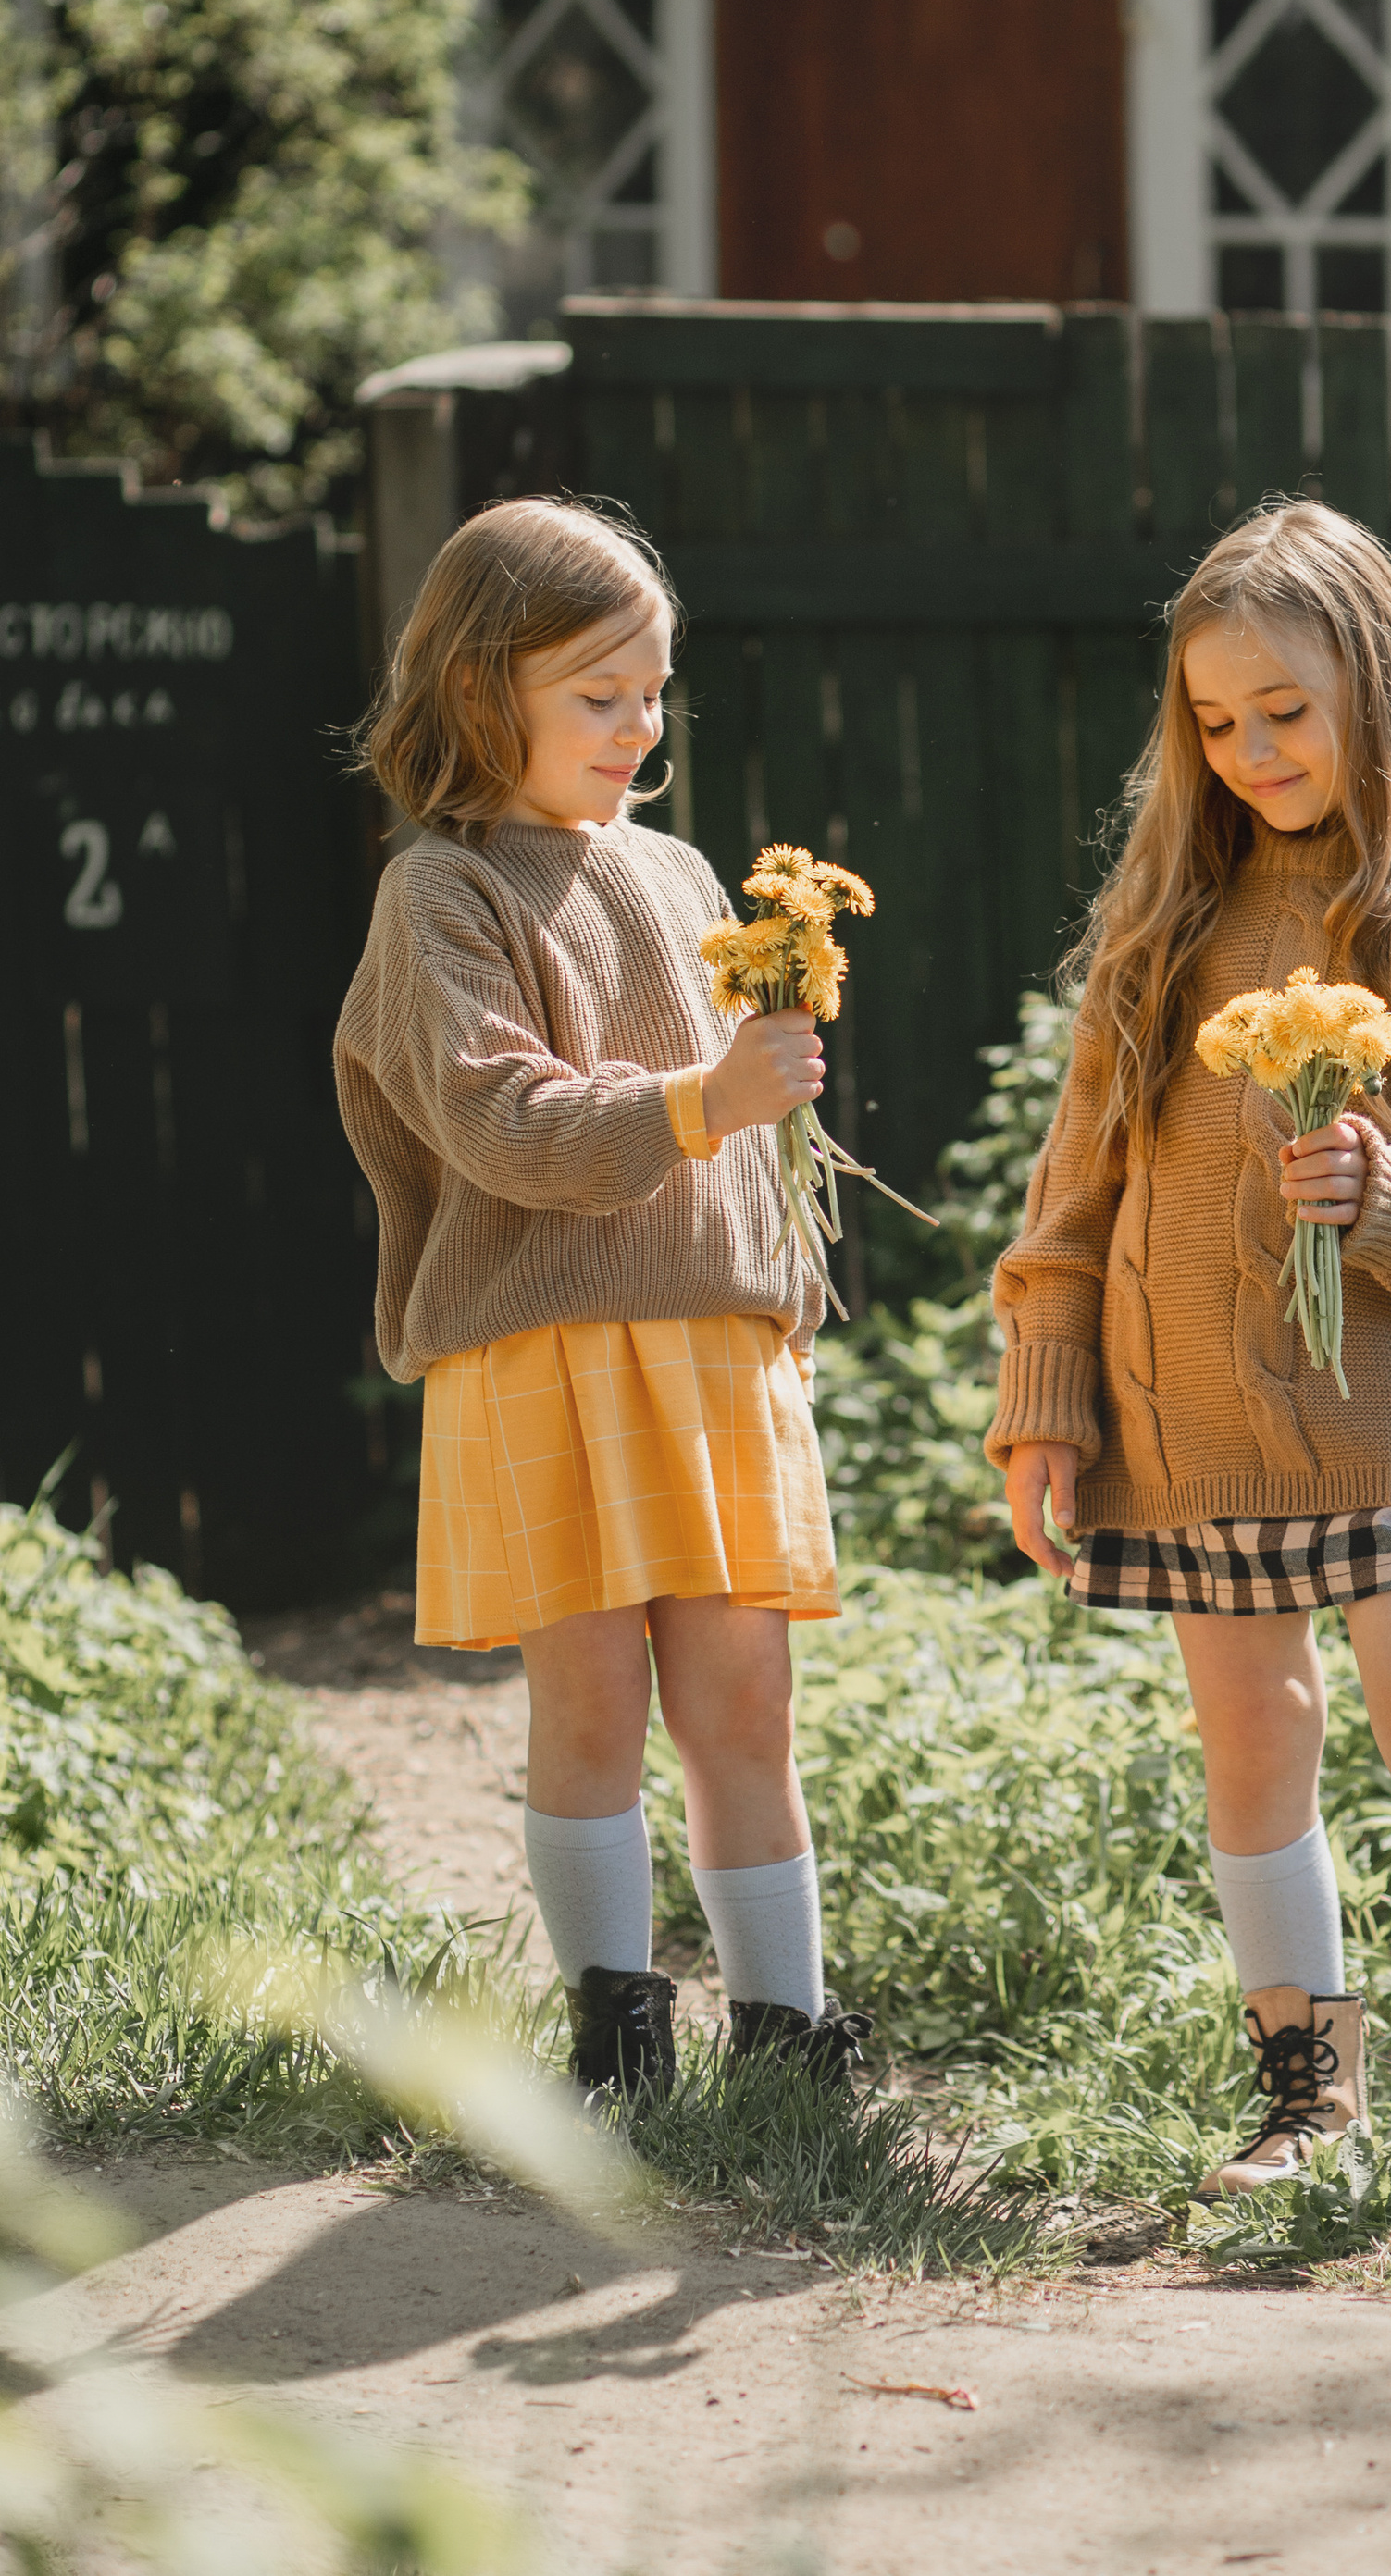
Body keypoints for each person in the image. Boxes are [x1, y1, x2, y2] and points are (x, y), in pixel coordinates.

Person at [989, 498, 1391, 2195]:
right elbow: (1074, 1186)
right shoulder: (1172, 906)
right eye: (1214, 720)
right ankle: (1307, 2100)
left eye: (1286, 712)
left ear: (1380, 689)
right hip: (1190, 1410)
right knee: (1253, 1736)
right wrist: (1048, 1401)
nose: (1250, 750)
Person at [335, 497, 866, 2104]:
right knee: (587, 1697)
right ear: (482, 685)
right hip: (543, 1351)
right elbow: (503, 1122)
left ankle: (785, 2036)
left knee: (743, 1700)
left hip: (711, 1350)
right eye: (597, 695)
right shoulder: (441, 895)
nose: (640, 727)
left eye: (653, 691)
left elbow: (741, 1158)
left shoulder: (687, 869)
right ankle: (615, 2033)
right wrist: (705, 1100)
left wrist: (783, 1289)